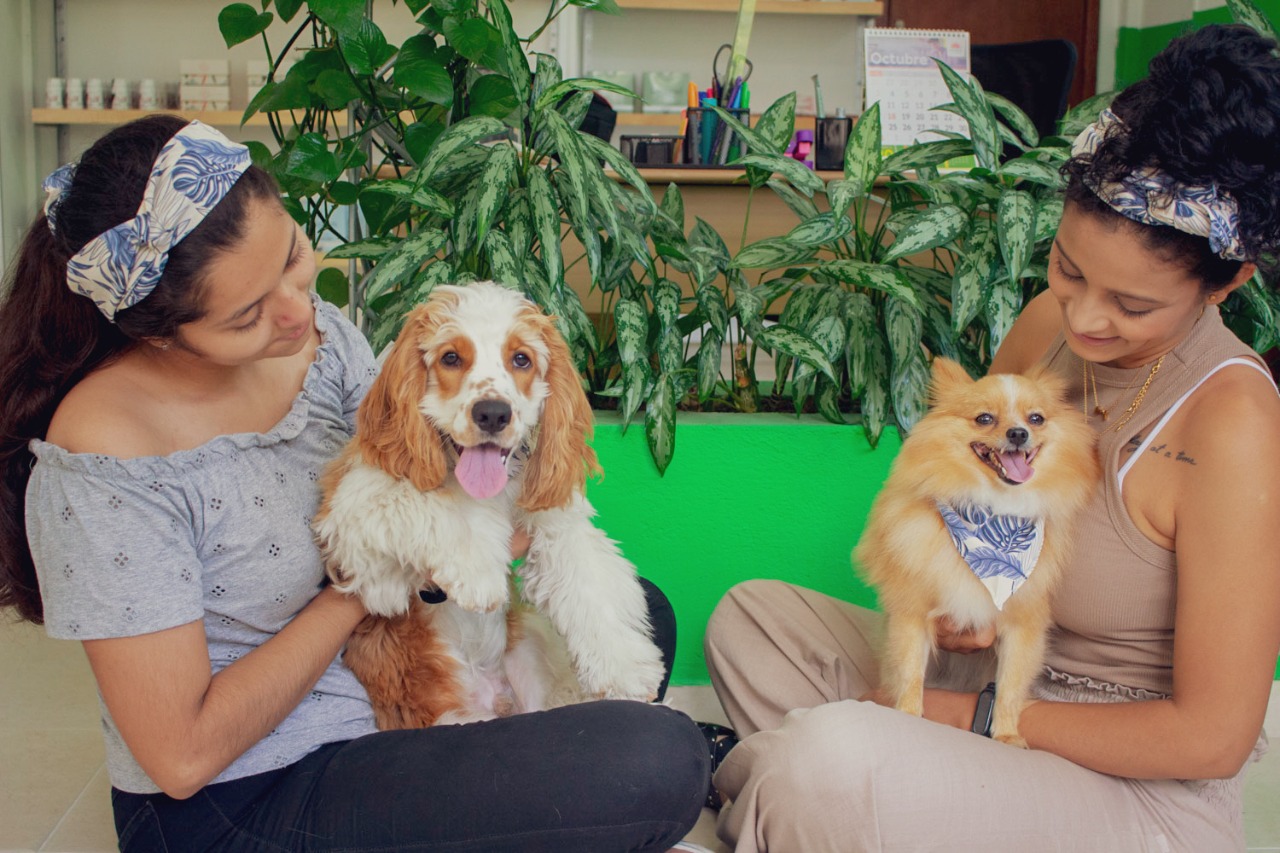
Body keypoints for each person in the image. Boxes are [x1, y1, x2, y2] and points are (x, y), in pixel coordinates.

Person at [0, 114, 708, 852]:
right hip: (247, 790)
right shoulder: (105, 460)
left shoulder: (318, 339)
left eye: (294, 256)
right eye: (248, 315)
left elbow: (412, 452)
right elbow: (181, 758)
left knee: (645, 613)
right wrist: (358, 589)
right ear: (158, 329)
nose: (298, 309)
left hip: (376, 688)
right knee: (659, 759)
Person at [701, 23, 1280, 852]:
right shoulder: (1051, 328)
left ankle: (772, 780)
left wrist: (964, 714)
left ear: (1229, 282)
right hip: (986, 671)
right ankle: (826, 787)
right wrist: (957, 607)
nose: (1084, 316)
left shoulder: (1235, 422)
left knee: (827, 762)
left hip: (1128, 785)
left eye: (1133, 305)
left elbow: (1211, 738)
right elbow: (967, 496)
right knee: (751, 621)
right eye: (1070, 267)